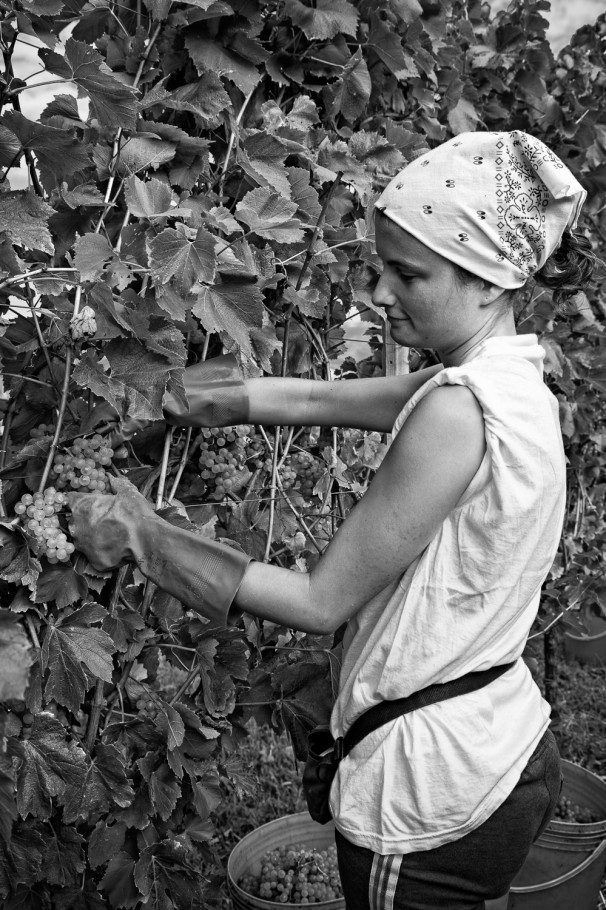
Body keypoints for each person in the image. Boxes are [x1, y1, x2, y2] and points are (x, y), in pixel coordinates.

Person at [68, 130, 597, 910]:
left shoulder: (456, 414)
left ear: (489, 281)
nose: (380, 294)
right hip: (504, 745)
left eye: (407, 274)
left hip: (431, 793)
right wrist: (187, 395)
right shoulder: (504, 379)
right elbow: (316, 399)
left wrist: (147, 537)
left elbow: (320, 603)